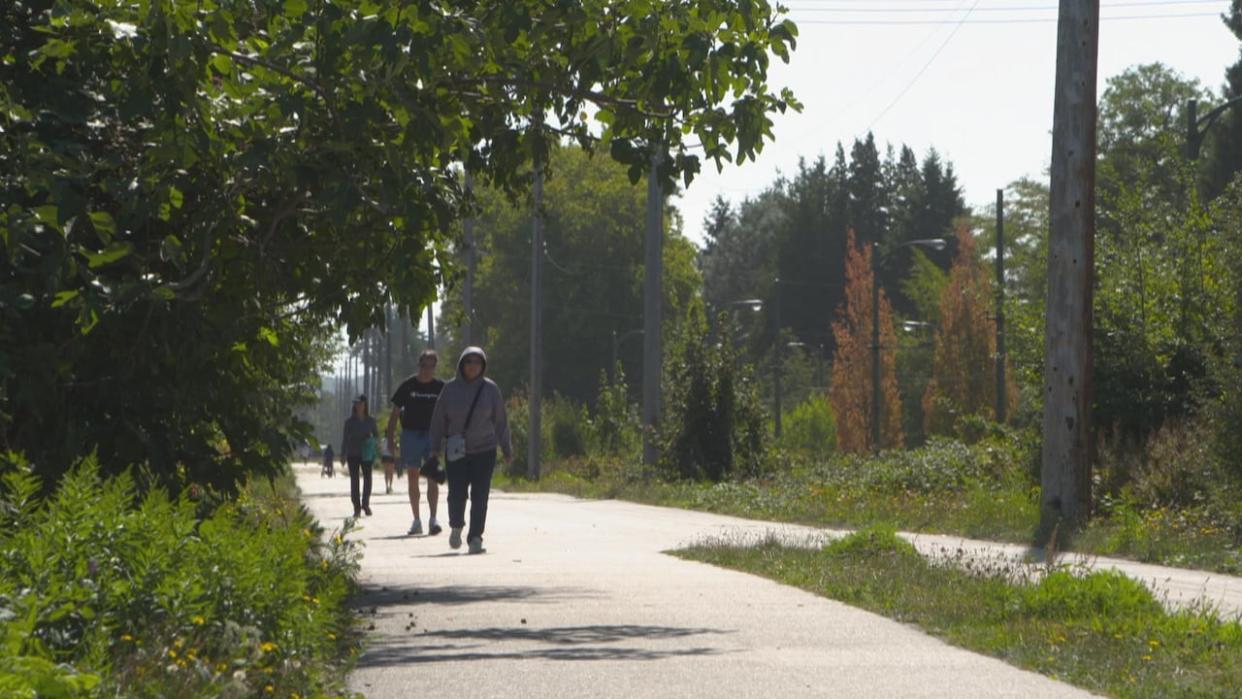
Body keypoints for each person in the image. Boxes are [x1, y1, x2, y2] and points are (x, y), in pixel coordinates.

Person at [425, 346, 511, 554]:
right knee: (457, 493)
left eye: (477, 362)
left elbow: (500, 420)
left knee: (480, 494)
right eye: (469, 362)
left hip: (485, 449)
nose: (473, 366)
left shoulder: (490, 389)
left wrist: (506, 447)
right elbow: (438, 420)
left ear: (483, 366)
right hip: (457, 451)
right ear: (461, 365)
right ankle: (456, 526)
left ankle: (475, 537)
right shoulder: (450, 389)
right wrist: (434, 447)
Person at [387, 349, 444, 536]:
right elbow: (395, 414)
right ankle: (416, 520)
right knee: (413, 475)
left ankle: (433, 519)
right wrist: (390, 440)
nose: (427, 369)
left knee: (432, 476)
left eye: (431, 366)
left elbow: (449, 414)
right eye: (424, 365)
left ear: (435, 367)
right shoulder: (408, 386)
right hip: (410, 434)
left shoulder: (440, 387)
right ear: (419, 365)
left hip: (432, 435)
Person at [341, 394, 379, 518]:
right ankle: (356, 507)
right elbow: (345, 439)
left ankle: (365, 504)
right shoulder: (349, 422)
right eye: (356, 404)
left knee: (368, 479)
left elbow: (376, 436)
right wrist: (343, 454)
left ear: (365, 405)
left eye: (360, 404)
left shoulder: (371, 421)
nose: (358, 406)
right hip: (353, 453)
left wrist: (372, 442)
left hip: (367, 454)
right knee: (354, 481)